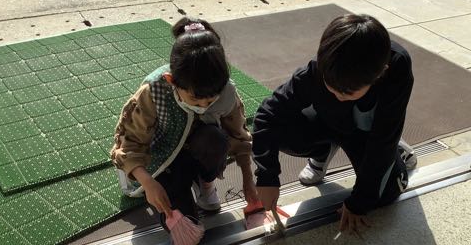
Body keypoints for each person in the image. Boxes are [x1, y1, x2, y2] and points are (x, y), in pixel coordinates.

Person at [252, 14, 416, 233]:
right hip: (328, 121)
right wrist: (267, 176)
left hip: (368, 132)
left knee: (386, 192)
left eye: (347, 92)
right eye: (330, 87)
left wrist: (358, 203)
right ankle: (324, 150)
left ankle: (398, 149)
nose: (338, 95)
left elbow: (382, 141)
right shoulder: (318, 70)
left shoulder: (397, 68)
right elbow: (267, 115)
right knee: (280, 130)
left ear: (380, 74)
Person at [111, 16, 258, 227]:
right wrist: (148, 182)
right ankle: (175, 188)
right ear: (171, 81)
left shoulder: (226, 91)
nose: (204, 105)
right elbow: (129, 144)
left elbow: (239, 136)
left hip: (200, 150)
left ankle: (205, 183)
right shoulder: (154, 91)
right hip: (163, 160)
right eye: (195, 99)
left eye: (211, 100)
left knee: (215, 139)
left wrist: (248, 180)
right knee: (185, 224)